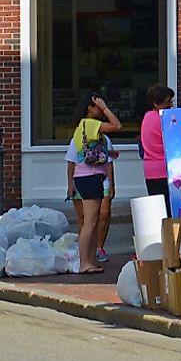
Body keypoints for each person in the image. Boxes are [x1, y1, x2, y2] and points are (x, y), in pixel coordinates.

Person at [65, 92, 121, 272]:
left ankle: (89, 260)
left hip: (87, 177)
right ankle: (84, 263)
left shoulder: (83, 126)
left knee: (93, 221)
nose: (101, 109)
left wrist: (109, 154)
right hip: (89, 177)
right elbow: (117, 125)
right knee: (90, 222)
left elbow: (87, 151)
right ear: (90, 108)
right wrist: (105, 108)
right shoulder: (91, 123)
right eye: (97, 106)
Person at [137, 85, 175, 202]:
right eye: (167, 102)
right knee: (170, 211)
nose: (171, 105)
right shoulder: (165, 119)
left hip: (150, 170)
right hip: (165, 169)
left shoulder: (147, 117)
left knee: (158, 209)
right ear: (156, 103)